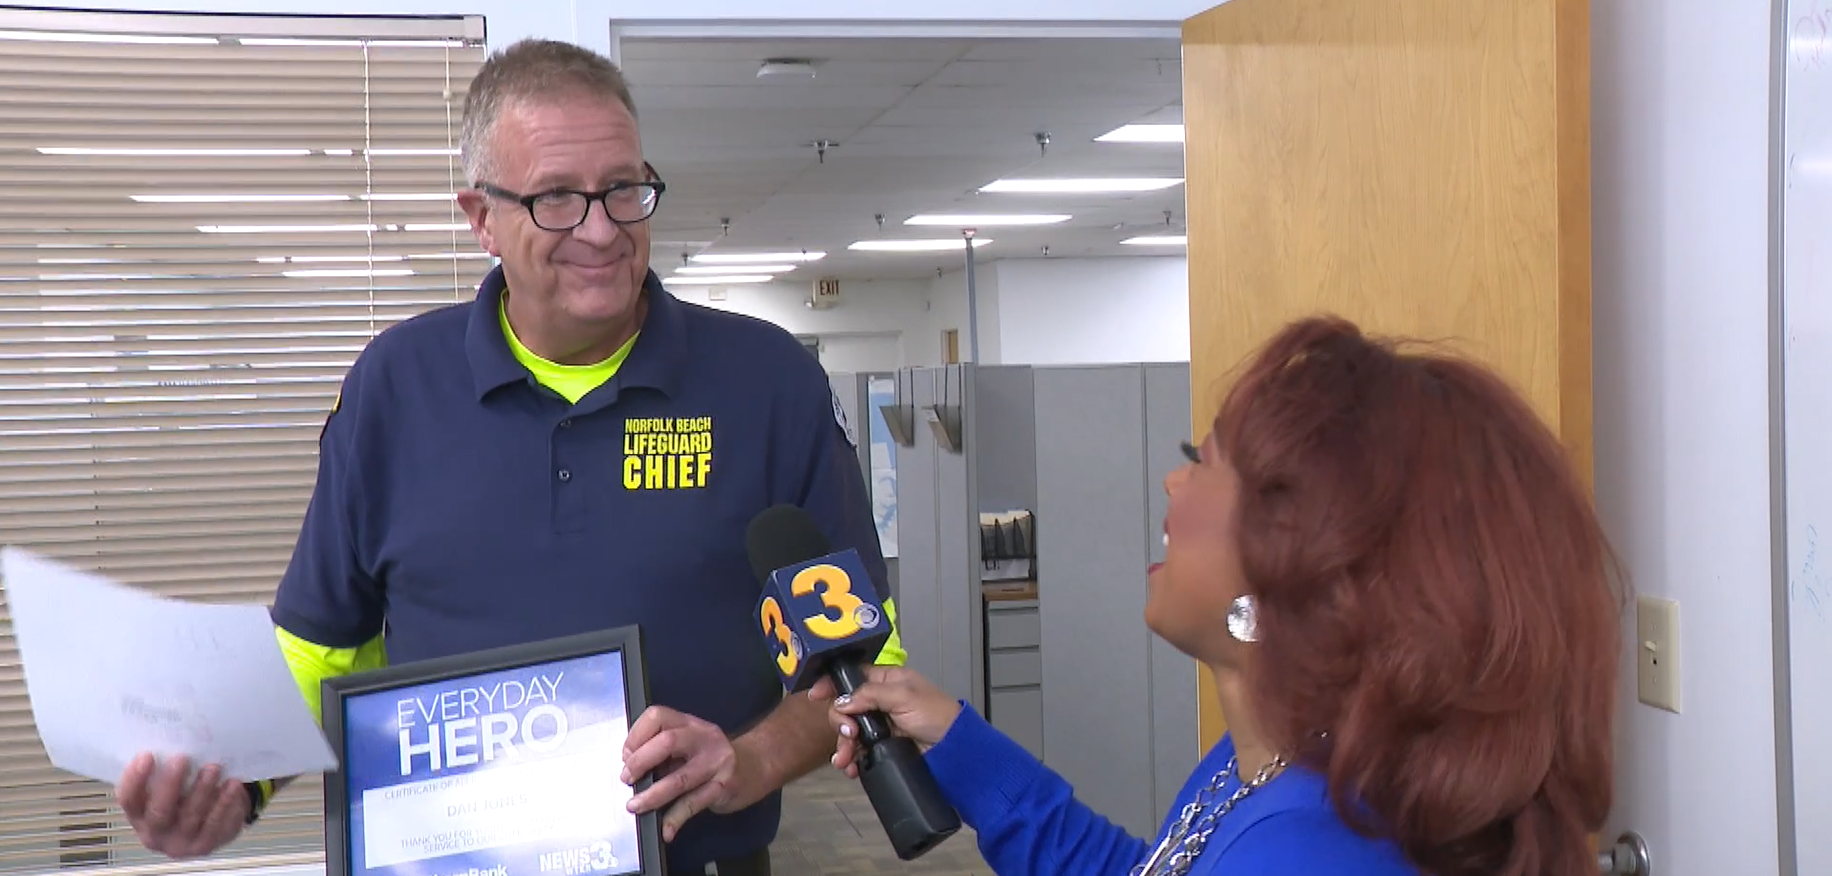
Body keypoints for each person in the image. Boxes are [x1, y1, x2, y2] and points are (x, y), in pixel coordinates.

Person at [109, 38, 907, 876]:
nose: (602, 230)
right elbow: (321, 647)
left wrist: (748, 763)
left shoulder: (766, 382)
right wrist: (232, 786)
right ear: (480, 217)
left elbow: (862, 666)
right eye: (557, 198)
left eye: (625, 190)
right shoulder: (395, 388)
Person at [812, 315, 1621, 876]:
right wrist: (956, 738)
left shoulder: (1309, 852)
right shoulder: (1270, 771)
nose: (1174, 479)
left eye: (1204, 456)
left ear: (1307, 558)